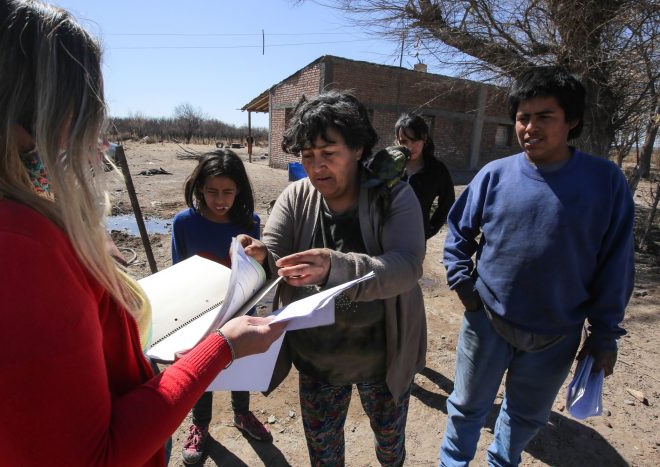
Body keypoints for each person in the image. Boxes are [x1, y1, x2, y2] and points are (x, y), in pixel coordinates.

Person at [0, 1, 285, 466]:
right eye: (85, 110)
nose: (94, 141)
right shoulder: (7, 246)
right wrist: (223, 347)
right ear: (30, 113)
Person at [439, 66, 635, 466]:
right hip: (487, 321)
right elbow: (458, 230)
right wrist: (464, 284)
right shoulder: (495, 175)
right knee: (465, 408)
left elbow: (616, 262)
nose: (530, 127)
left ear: (572, 121)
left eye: (545, 117)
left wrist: (603, 335)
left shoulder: (605, 182)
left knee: (525, 415)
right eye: (523, 117)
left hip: (556, 334)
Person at [239, 90, 427, 466]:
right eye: (307, 155)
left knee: (390, 450)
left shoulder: (394, 197)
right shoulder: (295, 198)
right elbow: (274, 259)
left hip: (383, 360)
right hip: (318, 362)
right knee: (324, 457)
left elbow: (407, 266)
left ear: (357, 148)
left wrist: (334, 266)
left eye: (329, 153)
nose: (317, 166)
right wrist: (259, 258)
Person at [171, 149, 272, 465]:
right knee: (203, 371)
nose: (220, 199)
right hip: (200, 315)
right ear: (199, 187)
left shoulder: (250, 222)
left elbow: (256, 271)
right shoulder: (184, 223)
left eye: (228, 191)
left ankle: (242, 414)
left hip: (241, 311)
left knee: (239, 366)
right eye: (212, 191)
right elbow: (178, 272)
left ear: (239, 189)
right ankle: (200, 425)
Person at [395, 113, 455, 241]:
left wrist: (429, 230)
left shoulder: (437, 170)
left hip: (415, 241)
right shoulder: (388, 167)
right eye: (404, 141)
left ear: (424, 138)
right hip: (383, 239)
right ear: (397, 140)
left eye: (415, 140)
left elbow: (447, 203)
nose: (410, 147)